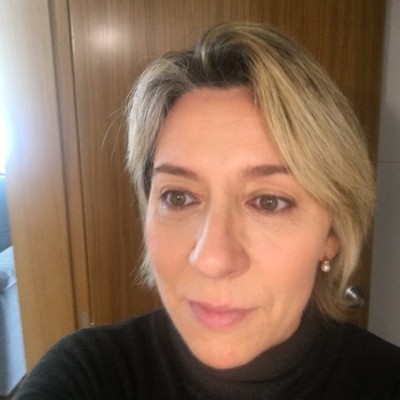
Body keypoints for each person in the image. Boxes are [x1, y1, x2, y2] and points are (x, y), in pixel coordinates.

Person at [17, 22, 400, 399]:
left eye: (269, 202)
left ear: (331, 234)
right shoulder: (87, 374)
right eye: (178, 197)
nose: (213, 259)